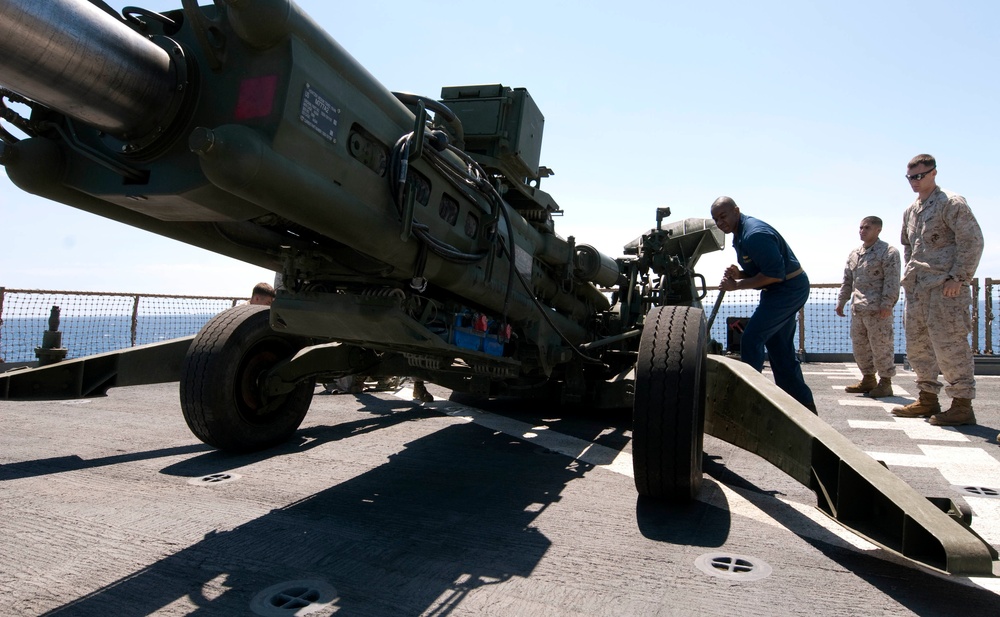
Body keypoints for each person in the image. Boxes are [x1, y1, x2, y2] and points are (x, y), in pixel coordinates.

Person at [891, 154, 983, 426]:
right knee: (918, 346)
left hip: (945, 288)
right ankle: (927, 398)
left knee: (951, 345)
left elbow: (972, 241)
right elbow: (908, 245)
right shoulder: (911, 210)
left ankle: (962, 405)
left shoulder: (951, 204)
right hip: (917, 289)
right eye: (910, 177)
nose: (915, 182)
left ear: (934, 173)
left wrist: (959, 277)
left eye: (920, 176)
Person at [710, 196, 816, 412]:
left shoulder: (754, 235)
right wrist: (740, 273)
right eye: (716, 220)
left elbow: (774, 274)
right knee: (780, 350)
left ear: (736, 211)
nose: (720, 223)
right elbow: (761, 271)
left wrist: (737, 285)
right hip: (778, 291)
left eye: (723, 216)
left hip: (787, 290)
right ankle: (803, 406)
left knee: (751, 338)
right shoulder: (740, 235)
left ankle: (749, 397)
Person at [835, 216, 901, 398]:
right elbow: (848, 280)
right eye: (861, 227)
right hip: (858, 310)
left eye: (867, 228)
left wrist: (887, 304)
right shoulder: (855, 254)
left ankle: (885, 382)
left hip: (878, 310)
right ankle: (868, 379)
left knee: (881, 347)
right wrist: (842, 301)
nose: (862, 231)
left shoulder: (888, 252)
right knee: (860, 347)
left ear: (878, 230)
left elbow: (892, 281)